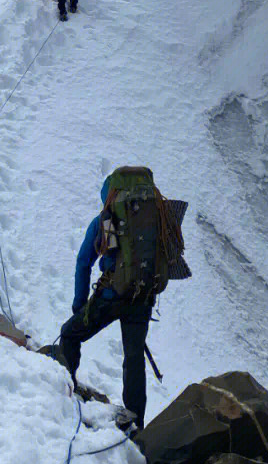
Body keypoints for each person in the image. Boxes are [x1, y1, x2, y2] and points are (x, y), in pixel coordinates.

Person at [51, 169, 187, 430]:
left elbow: (83, 263)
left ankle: (65, 397)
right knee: (133, 357)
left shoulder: (106, 220)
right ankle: (136, 424)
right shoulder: (154, 220)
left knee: (69, 334)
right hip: (143, 296)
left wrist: (80, 307)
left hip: (111, 295)